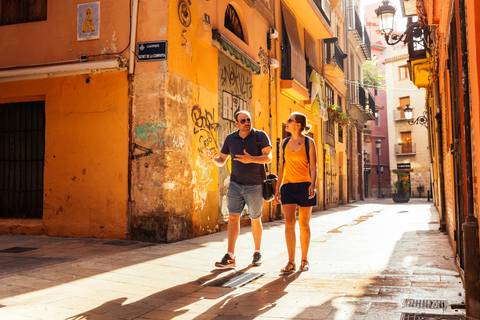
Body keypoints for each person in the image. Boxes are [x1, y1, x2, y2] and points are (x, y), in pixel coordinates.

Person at [206, 110, 272, 268]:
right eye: (243, 121)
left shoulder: (260, 136)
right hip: (235, 185)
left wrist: (251, 159)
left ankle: (257, 253)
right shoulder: (231, 138)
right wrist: (212, 160)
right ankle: (230, 256)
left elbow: (268, 157)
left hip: (255, 185)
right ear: (236, 123)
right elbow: (222, 160)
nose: (247, 123)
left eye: (248, 119)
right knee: (233, 218)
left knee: (255, 219)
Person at [275, 112, 317, 273]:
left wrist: (312, 184)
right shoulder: (284, 143)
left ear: (298, 124)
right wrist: (278, 187)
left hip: (305, 186)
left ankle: (304, 260)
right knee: (289, 223)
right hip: (288, 187)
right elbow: (281, 167)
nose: (286, 122)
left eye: (289, 120)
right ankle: (291, 262)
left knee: (304, 223)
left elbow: (313, 167)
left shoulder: (309, 142)